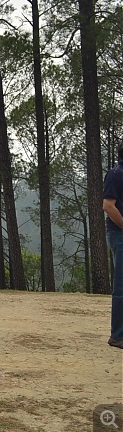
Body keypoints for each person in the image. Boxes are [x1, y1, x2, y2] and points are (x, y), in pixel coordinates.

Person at [103, 140, 123, 349]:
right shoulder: (115, 174)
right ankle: (117, 335)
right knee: (121, 286)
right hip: (119, 235)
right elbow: (108, 206)